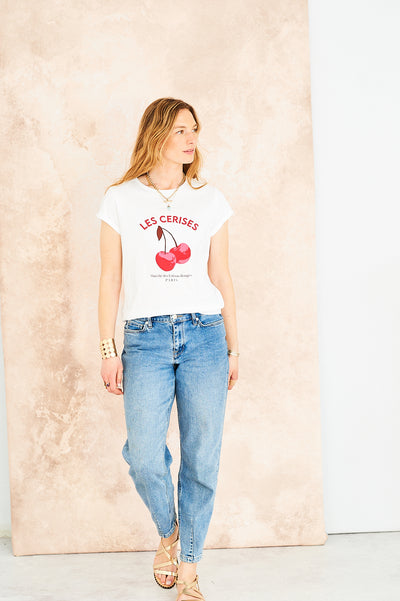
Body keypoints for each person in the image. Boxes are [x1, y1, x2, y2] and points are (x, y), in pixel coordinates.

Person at [96, 97, 239, 601]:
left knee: (202, 456)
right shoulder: (120, 199)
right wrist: (108, 349)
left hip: (204, 334)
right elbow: (110, 279)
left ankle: (190, 569)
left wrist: (234, 347)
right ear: (155, 134)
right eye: (180, 129)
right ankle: (170, 530)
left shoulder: (210, 199)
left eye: (194, 129)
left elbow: (221, 276)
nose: (191, 138)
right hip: (145, 338)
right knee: (143, 454)